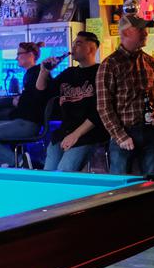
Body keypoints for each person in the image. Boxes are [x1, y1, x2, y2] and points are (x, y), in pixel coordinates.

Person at [96, 14, 154, 175]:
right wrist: (120, 136)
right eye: (141, 29)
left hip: (150, 131)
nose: (146, 33)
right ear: (126, 33)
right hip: (124, 131)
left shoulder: (151, 62)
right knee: (120, 190)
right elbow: (103, 107)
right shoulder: (110, 64)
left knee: (153, 186)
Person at [37, 32, 107, 172]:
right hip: (64, 132)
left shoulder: (100, 73)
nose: (73, 47)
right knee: (47, 173)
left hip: (89, 134)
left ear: (91, 49)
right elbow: (41, 91)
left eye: (78, 44)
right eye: (73, 43)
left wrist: (76, 135)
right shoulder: (69, 73)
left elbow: (99, 111)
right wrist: (44, 71)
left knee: (63, 171)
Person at [0, 41, 48, 167]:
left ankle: (20, 162)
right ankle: (5, 161)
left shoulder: (37, 73)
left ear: (30, 55)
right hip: (20, 121)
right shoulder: (31, 74)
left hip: (27, 124)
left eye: (19, 54)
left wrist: (18, 101)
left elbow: (36, 100)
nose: (16, 57)